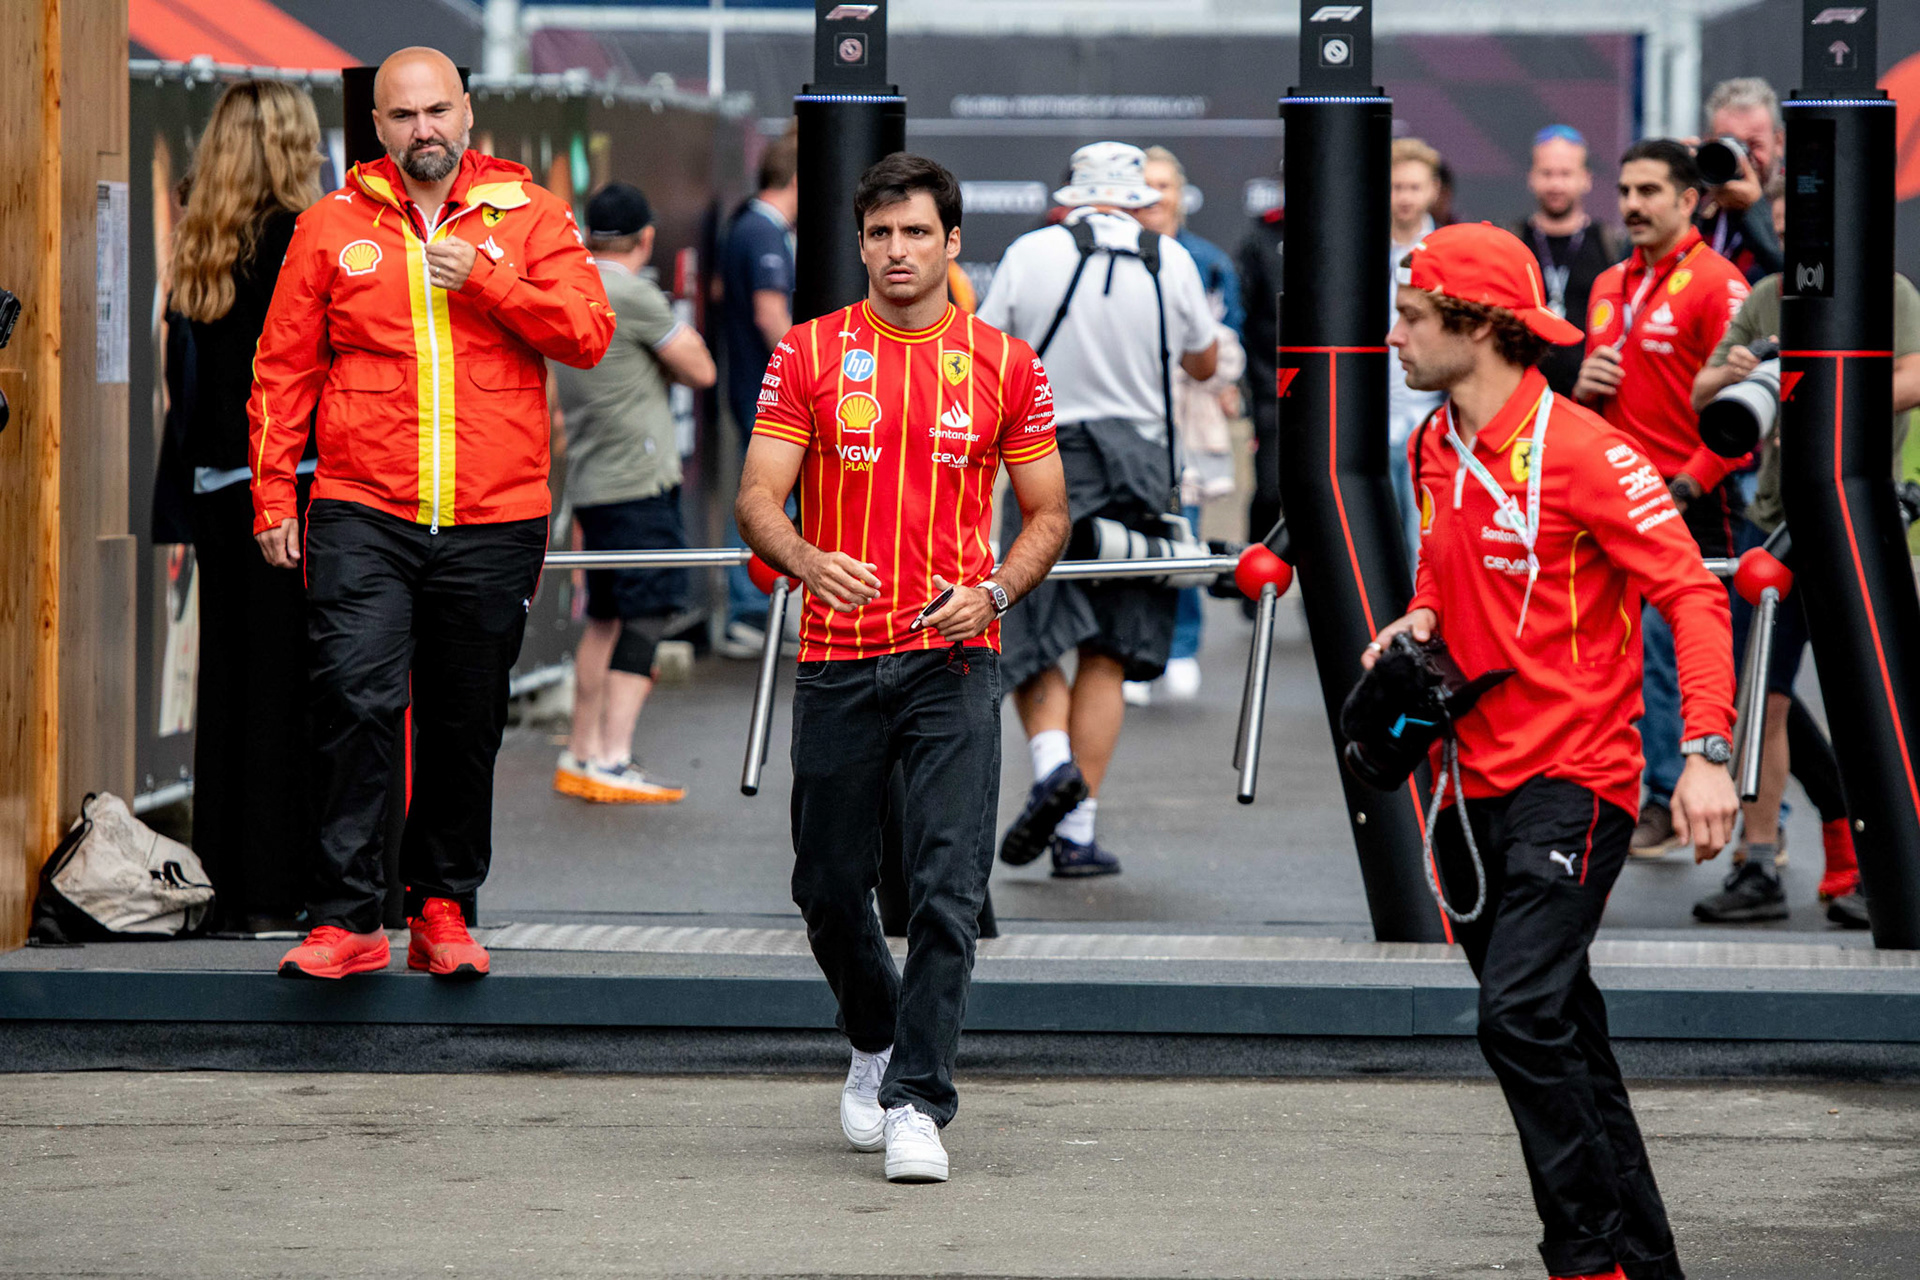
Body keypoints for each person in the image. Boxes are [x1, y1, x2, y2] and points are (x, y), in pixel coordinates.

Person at [1373, 221, 1738, 1280]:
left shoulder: (1588, 450)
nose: (1392, 335)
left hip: (1575, 781)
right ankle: (1645, 1260)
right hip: (1466, 786)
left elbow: (1692, 593)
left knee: (1520, 1015)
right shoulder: (1432, 442)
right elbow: (1445, 579)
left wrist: (1705, 750)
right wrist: (1417, 622)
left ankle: (1584, 1257)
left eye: (1410, 316)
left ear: (1477, 326)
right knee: (1567, 1031)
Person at [736, 153, 1069, 1183]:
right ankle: (874, 1039)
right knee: (828, 886)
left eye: (915, 232)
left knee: (946, 884)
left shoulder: (1007, 364)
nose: (895, 251)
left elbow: (1049, 512)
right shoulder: (807, 353)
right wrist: (801, 554)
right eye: (879, 234)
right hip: (837, 657)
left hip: (955, 656)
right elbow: (755, 495)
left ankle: (920, 1097)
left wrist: (997, 591)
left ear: (953, 243)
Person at [251, 47, 614, 980]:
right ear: (376, 127)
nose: (425, 130)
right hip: (361, 507)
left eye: (438, 111)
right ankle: (347, 917)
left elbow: (587, 332)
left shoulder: (528, 214)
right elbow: (284, 367)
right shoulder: (333, 223)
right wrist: (270, 491)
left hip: (495, 516)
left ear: (467, 111)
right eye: (404, 115)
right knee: (353, 701)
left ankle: (442, 909)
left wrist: (487, 280)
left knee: (464, 719)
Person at [977, 142, 1218, 877]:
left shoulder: (1031, 251)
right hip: (1142, 466)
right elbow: (1203, 361)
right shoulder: (1169, 258)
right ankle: (1076, 836)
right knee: (1110, 648)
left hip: (1049, 457)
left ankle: (1052, 766)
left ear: (1074, 193)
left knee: (1031, 625)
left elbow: (988, 352)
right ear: (1136, 194)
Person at [1686, 271, 1920, 926]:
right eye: (1783, 221)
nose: (1796, 237)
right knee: (1762, 695)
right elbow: (1703, 391)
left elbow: (1916, 377)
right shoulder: (1766, 296)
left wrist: (1817, 404)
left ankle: (1886, 867)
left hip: (1855, 518)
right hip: (1773, 519)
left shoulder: (1888, 292)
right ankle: (1758, 862)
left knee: (1873, 699)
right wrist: (1739, 374)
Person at [166, 80, 325, 935]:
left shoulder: (200, 241)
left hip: (213, 492)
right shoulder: (301, 237)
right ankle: (282, 881)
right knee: (291, 692)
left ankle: (228, 879)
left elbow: (185, 392)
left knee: (227, 688)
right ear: (294, 144)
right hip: (286, 487)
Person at [1574, 139, 1750, 860]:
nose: (1633, 205)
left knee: (1673, 654)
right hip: (1612, 496)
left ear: (1688, 200)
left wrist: (1686, 484)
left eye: (1650, 191)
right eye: (1625, 191)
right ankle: (1614, 789)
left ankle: (1671, 796)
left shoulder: (1719, 284)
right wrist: (1581, 389)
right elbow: (1590, 398)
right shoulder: (1609, 282)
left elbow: (1743, 414)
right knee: (1602, 650)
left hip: (1695, 498)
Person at [550, 182, 716, 804]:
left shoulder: (570, 284)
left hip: (597, 479)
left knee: (606, 617)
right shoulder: (630, 291)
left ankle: (584, 752)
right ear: (646, 238)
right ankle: (613, 758)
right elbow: (701, 369)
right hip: (637, 483)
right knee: (645, 613)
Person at [1136, 145, 1246, 701]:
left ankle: (1180, 646)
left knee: (1183, 535)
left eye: (1164, 184)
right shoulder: (1116, 254)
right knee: (1130, 539)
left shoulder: (1207, 259)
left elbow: (1231, 333)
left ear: (1181, 193)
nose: (1155, 196)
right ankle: (1132, 650)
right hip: (1131, 416)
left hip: (1189, 417)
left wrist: (1225, 381)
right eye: (1144, 184)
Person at [718, 136, 799, 658]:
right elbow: (770, 314)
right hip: (764, 391)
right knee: (761, 499)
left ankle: (755, 608)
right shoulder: (759, 230)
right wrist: (810, 373)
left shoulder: (750, 224)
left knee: (767, 497)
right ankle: (747, 611)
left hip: (756, 387)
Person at [1512, 125, 1627, 397]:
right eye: (1547, 173)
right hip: (1519, 396)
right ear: (1531, 177)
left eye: (1566, 174)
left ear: (1585, 178)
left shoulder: (1612, 244)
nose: (1556, 184)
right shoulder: (1510, 241)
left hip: (1591, 399)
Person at [1387, 138, 1447, 561]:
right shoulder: (1358, 251)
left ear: (1433, 190)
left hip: (1432, 421)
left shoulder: (1450, 252)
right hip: (1371, 420)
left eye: (1414, 187)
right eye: (1396, 187)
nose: (1405, 197)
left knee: (1423, 542)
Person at [1696, 78, 1785, 285]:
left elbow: (1796, 284)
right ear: (1709, 143)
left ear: (1779, 143)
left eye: (1754, 144)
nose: (1742, 159)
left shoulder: (1801, 203)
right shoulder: (1698, 206)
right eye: (1730, 144)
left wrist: (1754, 208)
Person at [1237, 184, 1285, 550]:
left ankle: (1321, 601)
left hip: (1335, 387)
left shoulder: (1349, 232)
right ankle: (1255, 580)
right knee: (1271, 490)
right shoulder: (1261, 240)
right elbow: (1243, 318)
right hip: (1272, 387)